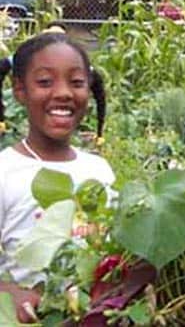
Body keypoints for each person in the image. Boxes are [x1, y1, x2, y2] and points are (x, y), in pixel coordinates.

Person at [0, 29, 114, 323]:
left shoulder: (99, 170)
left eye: (76, 82)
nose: (63, 92)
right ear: (19, 90)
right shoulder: (5, 171)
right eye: (45, 82)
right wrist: (8, 292)